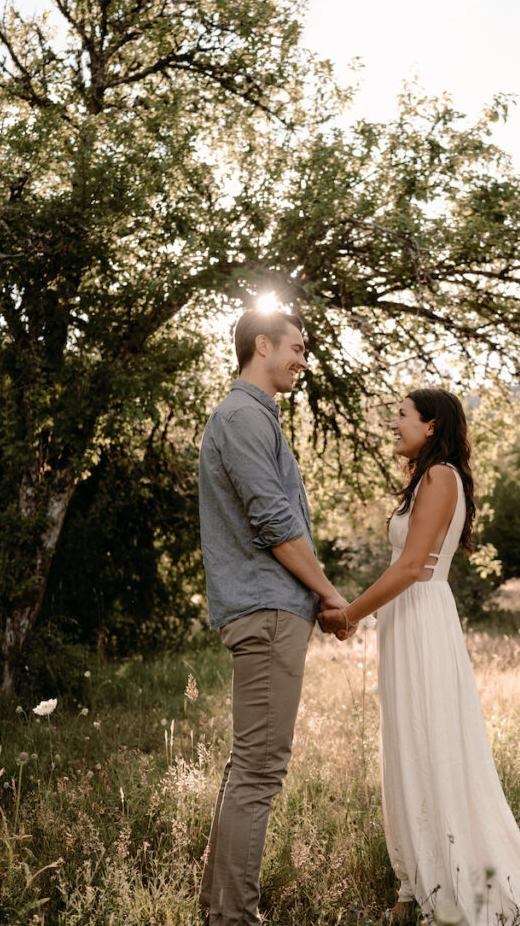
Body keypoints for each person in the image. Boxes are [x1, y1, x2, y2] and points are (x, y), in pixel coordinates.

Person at [319, 387, 520, 926]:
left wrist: (348, 617)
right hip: (407, 622)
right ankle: (414, 880)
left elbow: (413, 566)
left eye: (402, 415)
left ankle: (445, 877)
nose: (393, 424)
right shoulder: (427, 479)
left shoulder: (440, 478)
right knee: (409, 742)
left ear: (432, 425)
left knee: (428, 741)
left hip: (422, 622)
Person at [198, 308, 351, 926]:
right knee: (260, 770)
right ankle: (236, 917)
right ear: (262, 345)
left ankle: (220, 910)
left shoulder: (255, 418)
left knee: (249, 767)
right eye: (297, 348)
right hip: (266, 612)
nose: (303, 360)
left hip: (271, 610)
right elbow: (273, 522)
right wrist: (329, 594)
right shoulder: (241, 417)